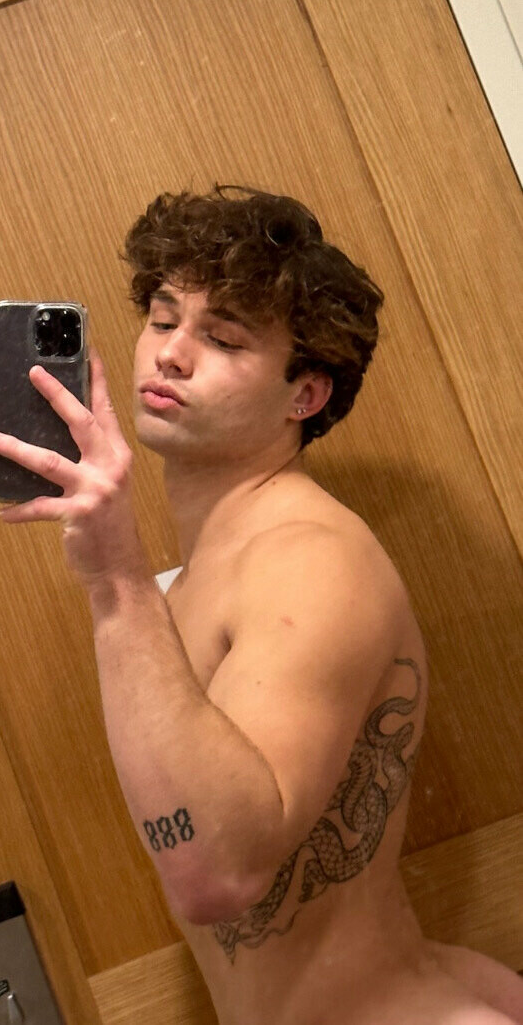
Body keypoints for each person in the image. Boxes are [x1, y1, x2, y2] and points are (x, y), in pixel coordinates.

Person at [119, 183, 523, 1025]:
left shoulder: (309, 561)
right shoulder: (198, 579)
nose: (172, 354)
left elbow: (218, 874)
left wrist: (107, 574)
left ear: (304, 395)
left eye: (223, 338)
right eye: (162, 320)